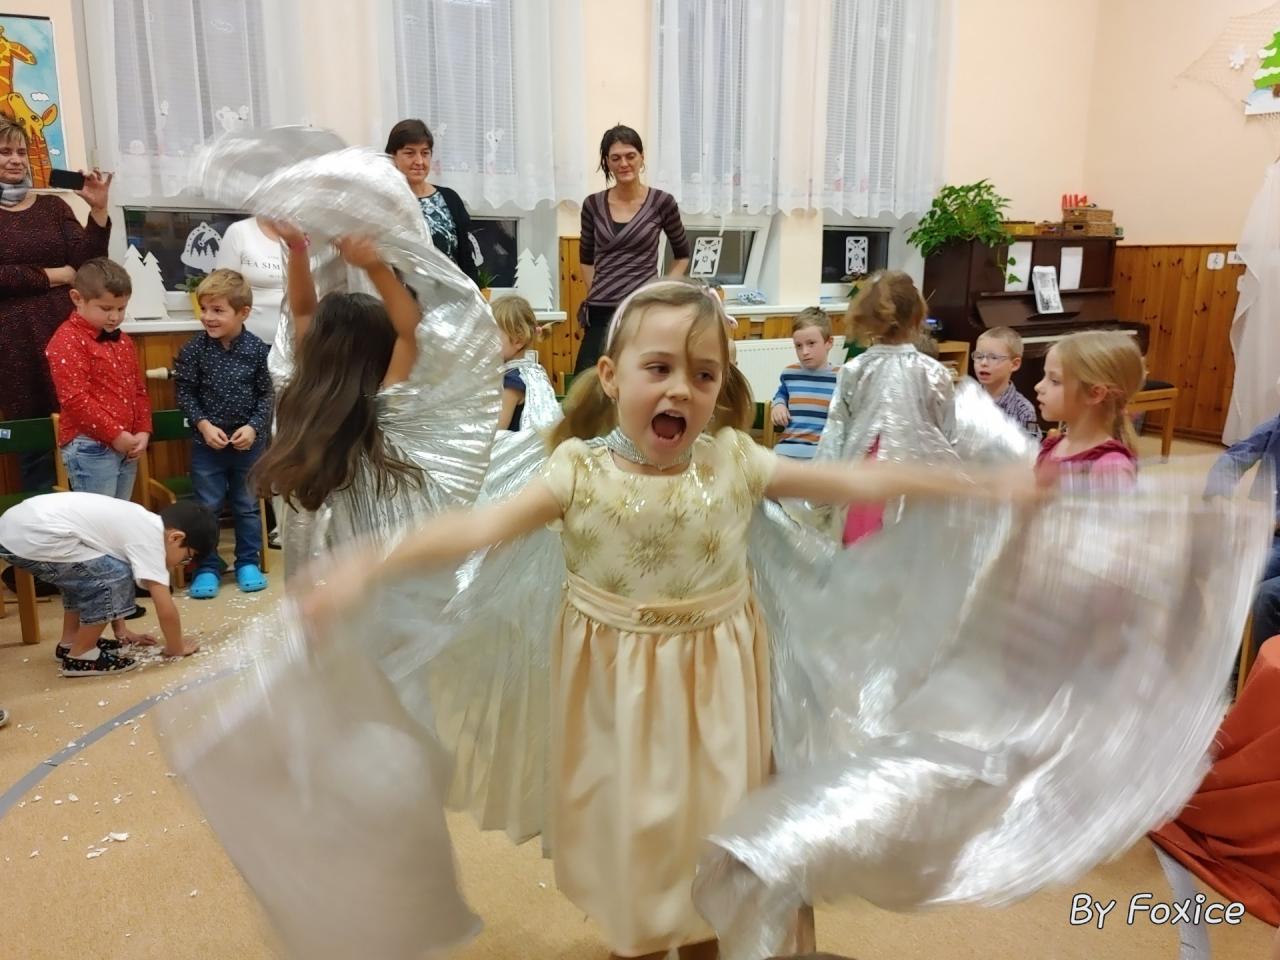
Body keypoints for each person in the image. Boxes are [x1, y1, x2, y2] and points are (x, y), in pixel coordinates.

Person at [303, 280, 1037, 960]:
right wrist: (369, 561)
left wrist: (973, 483)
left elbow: (850, 479)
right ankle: (643, 940)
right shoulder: (577, 471)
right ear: (612, 376)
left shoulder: (734, 461)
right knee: (634, 846)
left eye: (703, 375)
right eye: (658, 368)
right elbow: (475, 529)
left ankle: (707, 936)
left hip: (720, 690)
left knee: (715, 838)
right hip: (611, 695)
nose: (681, 389)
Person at [0, 115, 112, 491]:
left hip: (67, 336)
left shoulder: (53, 207)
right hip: (13, 343)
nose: (15, 160)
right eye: (4, 152)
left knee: (81, 428)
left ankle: (86, 516)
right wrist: (54, 275)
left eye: (21, 152)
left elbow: (88, 265)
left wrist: (98, 211)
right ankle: (42, 526)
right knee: (33, 440)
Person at [813, 270, 958, 544]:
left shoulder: (854, 370)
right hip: (914, 489)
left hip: (863, 488)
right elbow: (949, 437)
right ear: (917, 316)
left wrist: (820, 499)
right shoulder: (934, 373)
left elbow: (834, 435)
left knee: (861, 555)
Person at [0, 494, 212, 675]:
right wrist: (176, 647)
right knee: (113, 576)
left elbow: (108, 568)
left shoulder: (143, 521)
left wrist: (122, 630)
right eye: (187, 557)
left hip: (18, 527)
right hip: (34, 535)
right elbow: (164, 607)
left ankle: (70, 643)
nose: (181, 564)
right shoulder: (151, 541)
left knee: (91, 575)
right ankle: (81, 655)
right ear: (176, 538)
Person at [175, 269, 273, 599]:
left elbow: (267, 395)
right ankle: (207, 566)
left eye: (218, 310)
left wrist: (253, 427)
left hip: (248, 446)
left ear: (243, 312)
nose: (208, 317)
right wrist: (203, 425)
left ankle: (247, 562)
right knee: (207, 508)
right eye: (204, 309)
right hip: (208, 447)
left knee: (247, 506)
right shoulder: (193, 350)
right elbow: (185, 393)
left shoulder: (258, 350)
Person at [575, 125, 690, 374]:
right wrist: (599, 290)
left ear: (641, 157)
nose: (624, 163)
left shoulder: (662, 202)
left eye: (630, 156)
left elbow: (682, 255)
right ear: (607, 162)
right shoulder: (592, 205)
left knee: (639, 379)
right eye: (615, 158)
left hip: (643, 309)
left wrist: (660, 289)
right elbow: (585, 259)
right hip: (600, 314)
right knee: (587, 382)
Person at [45, 258, 152, 500]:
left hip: (127, 444)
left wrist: (143, 430)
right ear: (77, 298)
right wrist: (115, 435)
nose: (114, 317)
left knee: (119, 514)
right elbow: (75, 400)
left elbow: (138, 389)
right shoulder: (66, 340)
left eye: (121, 309)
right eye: (105, 309)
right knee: (98, 518)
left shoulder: (123, 340)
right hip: (90, 447)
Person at [1205, 410, 1280, 665]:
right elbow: (1235, 456)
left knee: (1260, 587)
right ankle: (1231, 657)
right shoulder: (1276, 425)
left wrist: (1270, 520)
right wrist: (1219, 497)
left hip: (1271, 531)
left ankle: (1256, 671)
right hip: (1268, 532)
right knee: (1226, 567)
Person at [1033, 330, 1143, 483]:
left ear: (1094, 394)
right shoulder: (1054, 446)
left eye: (1055, 381)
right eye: (1044, 376)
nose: (1038, 386)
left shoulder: (1110, 468)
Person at [385, 119, 479, 285]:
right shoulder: (386, 203)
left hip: (452, 296)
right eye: (409, 153)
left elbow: (466, 260)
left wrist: (475, 295)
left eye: (425, 153)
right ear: (393, 157)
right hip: (401, 299)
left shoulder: (450, 198)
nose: (419, 161)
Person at [770, 308, 840, 460]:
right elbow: (781, 393)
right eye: (798, 346)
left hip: (822, 453)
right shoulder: (790, 373)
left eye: (811, 343)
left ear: (829, 342)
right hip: (786, 449)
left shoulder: (841, 377)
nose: (805, 352)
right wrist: (778, 405)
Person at [215, 216, 287, 345]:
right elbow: (222, 290)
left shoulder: (313, 236)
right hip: (247, 342)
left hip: (300, 341)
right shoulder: (239, 231)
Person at [974, 326, 1041, 439]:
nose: (983, 363)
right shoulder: (965, 400)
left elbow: (1032, 443)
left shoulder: (1024, 410)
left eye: (993, 357)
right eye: (979, 356)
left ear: (1014, 364)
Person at [491, 295, 546, 431]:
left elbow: (496, 430)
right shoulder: (532, 371)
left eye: (492, 337)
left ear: (518, 341)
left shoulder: (511, 382)